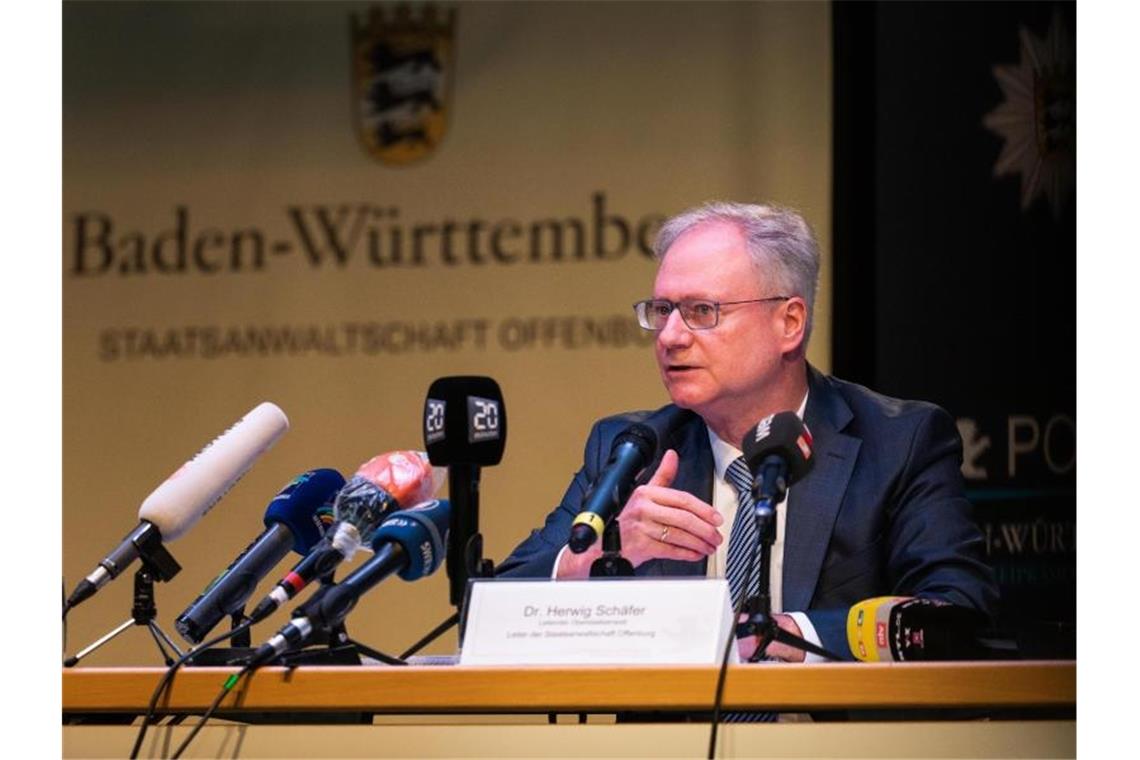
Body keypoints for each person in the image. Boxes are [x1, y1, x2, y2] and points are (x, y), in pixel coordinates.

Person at [497, 201, 997, 662]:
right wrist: (603, 553)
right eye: (662, 311)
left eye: (701, 311)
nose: (670, 336)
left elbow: (958, 610)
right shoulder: (633, 450)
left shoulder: (899, 443)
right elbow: (491, 611)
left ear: (790, 323)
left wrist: (790, 636)